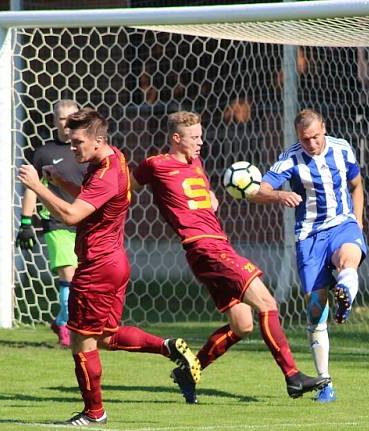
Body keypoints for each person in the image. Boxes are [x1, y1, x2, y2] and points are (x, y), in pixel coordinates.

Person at [17, 108, 200, 426]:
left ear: (98, 140)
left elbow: (73, 216)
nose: (72, 149)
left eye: (77, 143)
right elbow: (93, 202)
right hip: (114, 262)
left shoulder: (104, 173)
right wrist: (59, 181)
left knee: (80, 340)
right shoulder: (115, 159)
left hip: (96, 267)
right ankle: (167, 346)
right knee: (104, 337)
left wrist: (38, 187)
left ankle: (94, 412)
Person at [131, 111, 328, 404]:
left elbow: (201, 194)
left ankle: (189, 371)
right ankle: (292, 377)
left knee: (242, 325)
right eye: (194, 137)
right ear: (176, 139)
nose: (201, 142)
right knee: (267, 304)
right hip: (205, 248)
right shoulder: (155, 165)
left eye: (200, 135)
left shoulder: (195, 162)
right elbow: (127, 189)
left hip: (216, 246)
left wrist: (211, 197)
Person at [252, 108, 368, 403]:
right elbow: (260, 190)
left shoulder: (343, 149)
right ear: (298, 137)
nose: (312, 144)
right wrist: (279, 195)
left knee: (348, 259)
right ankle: (325, 383)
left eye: (316, 137)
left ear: (324, 129)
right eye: (306, 140)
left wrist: (358, 221)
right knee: (316, 311)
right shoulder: (290, 159)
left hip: (343, 225)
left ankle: (345, 291)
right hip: (309, 237)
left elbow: (357, 185)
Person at [16, 100, 87, 348]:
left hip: (83, 223)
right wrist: (26, 222)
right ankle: (69, 329)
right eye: (61, 117)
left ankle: (61, 320)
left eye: (71, 117)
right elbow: (32, 189)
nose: (66, 122)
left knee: (83, 280)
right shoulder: (44, 153)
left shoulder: (87, 151)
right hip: (56, 222)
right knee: (70, 276)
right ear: (55, 121)